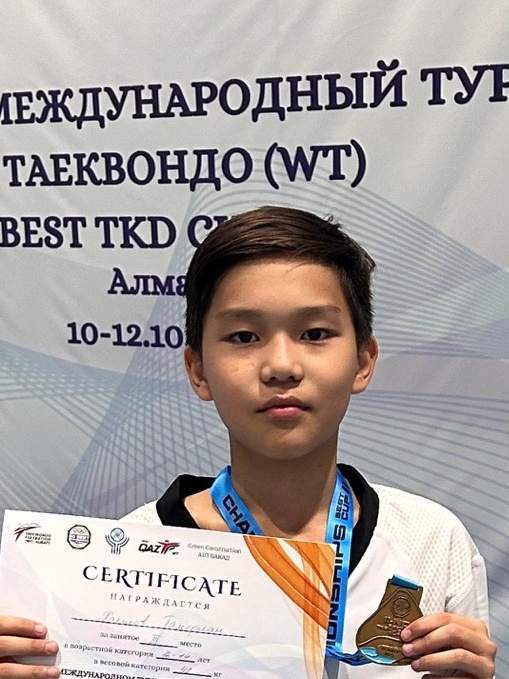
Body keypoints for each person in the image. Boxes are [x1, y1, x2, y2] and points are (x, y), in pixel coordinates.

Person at [0, 207, 496, 678]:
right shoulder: (125, 561)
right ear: (198, 369)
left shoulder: (433, 540)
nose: (281, 366)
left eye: (315, 333)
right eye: (243, 337)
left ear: (363, 361)